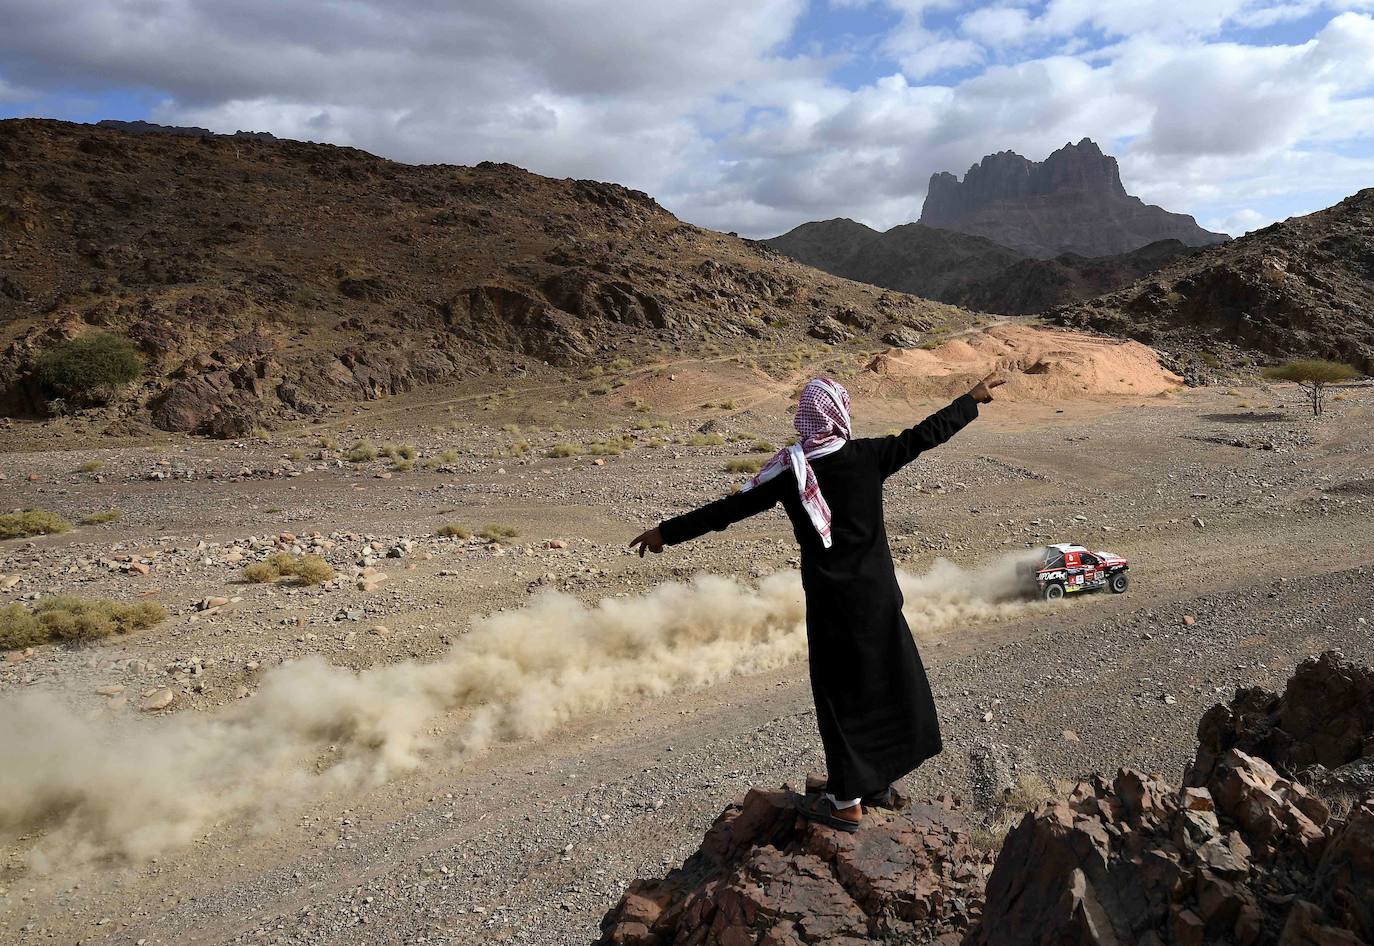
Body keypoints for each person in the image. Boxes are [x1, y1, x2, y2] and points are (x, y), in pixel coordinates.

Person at [630, 372, 1004, 831]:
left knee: (840, 694)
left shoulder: (793, 474)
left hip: (832, 605)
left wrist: (665, 532)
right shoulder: (869, 455)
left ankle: (846, 800)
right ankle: (875, 780)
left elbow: (728, 510)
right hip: (879, 598)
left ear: (806, 419)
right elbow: (925, 435)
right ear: (840, 413)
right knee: (884, 682)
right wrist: (970, 400)